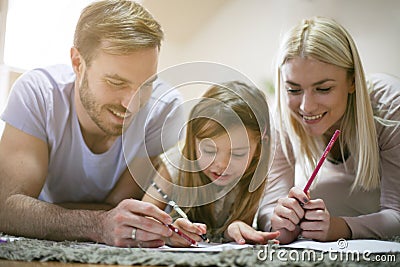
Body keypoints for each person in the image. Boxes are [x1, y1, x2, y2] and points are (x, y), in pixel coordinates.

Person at [0, 0, 185, 247]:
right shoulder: (38, 94)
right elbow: (7, 207)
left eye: (146, 84)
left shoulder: (163, 110)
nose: (132, 103)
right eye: (116, 82)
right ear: (78, 63)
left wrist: (39, 213)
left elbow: (121, 207)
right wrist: (97, 223)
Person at [257, 16, 400, 244]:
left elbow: (397, 214)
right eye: (293, 90)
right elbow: (268, 211)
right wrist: (279, 219)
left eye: (323, 89)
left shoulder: (390, 107)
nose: (306, 106)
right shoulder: (281, 116)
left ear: (352, 80)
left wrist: (340, 227)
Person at [142, 81, 280, 247]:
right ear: (193, 141)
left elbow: (241, 229)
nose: (221, 164)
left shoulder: (258, 173)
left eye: (237, 154)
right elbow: (142, 219)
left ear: (259, 148)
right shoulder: (175, 164)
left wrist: (233, 230)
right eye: (208, 150)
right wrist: (168, 233)